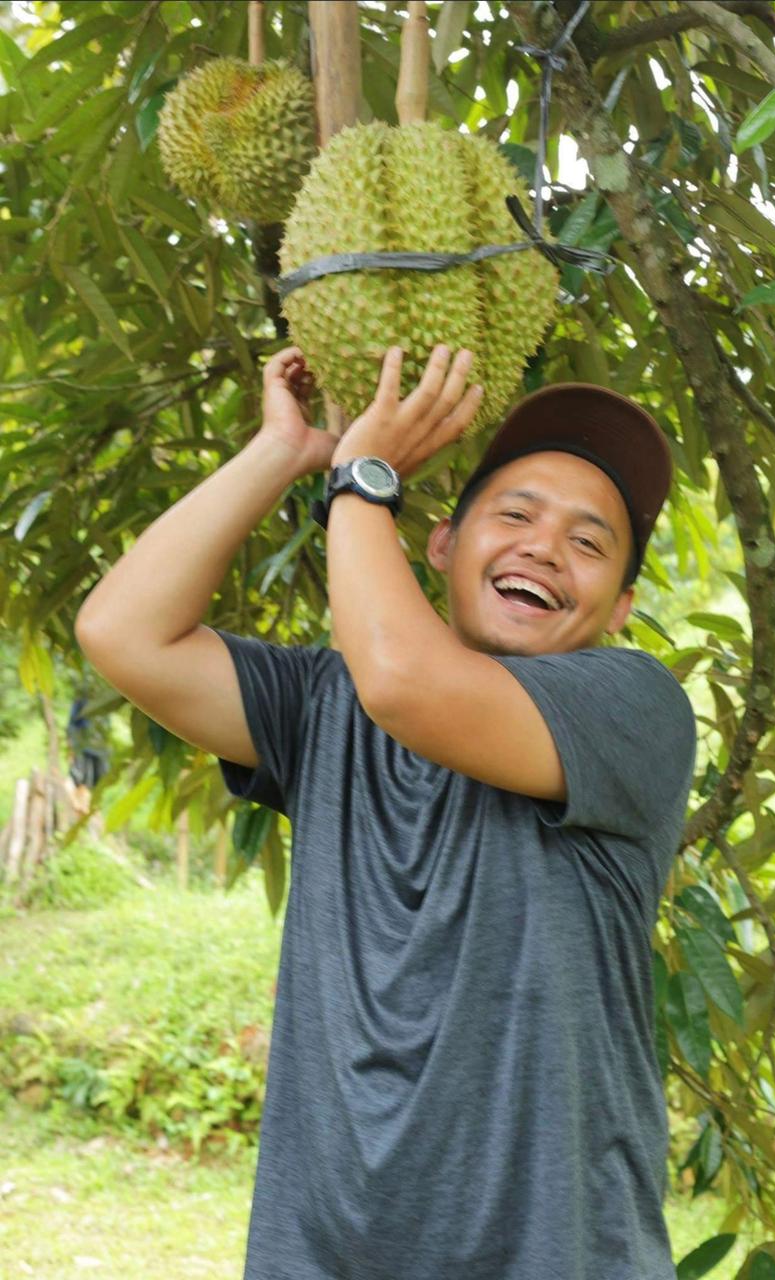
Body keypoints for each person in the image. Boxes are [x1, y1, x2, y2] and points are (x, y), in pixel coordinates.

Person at [75, 343, 697, 1280]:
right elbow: (121, 632)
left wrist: (359, 484)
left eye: (589, 541)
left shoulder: (634, 707)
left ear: (620, 606)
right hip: (323, 1255)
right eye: (516, 515)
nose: (544, 548)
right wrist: (282, 453)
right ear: (441, 545)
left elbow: (405, 680)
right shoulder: (327, 707)